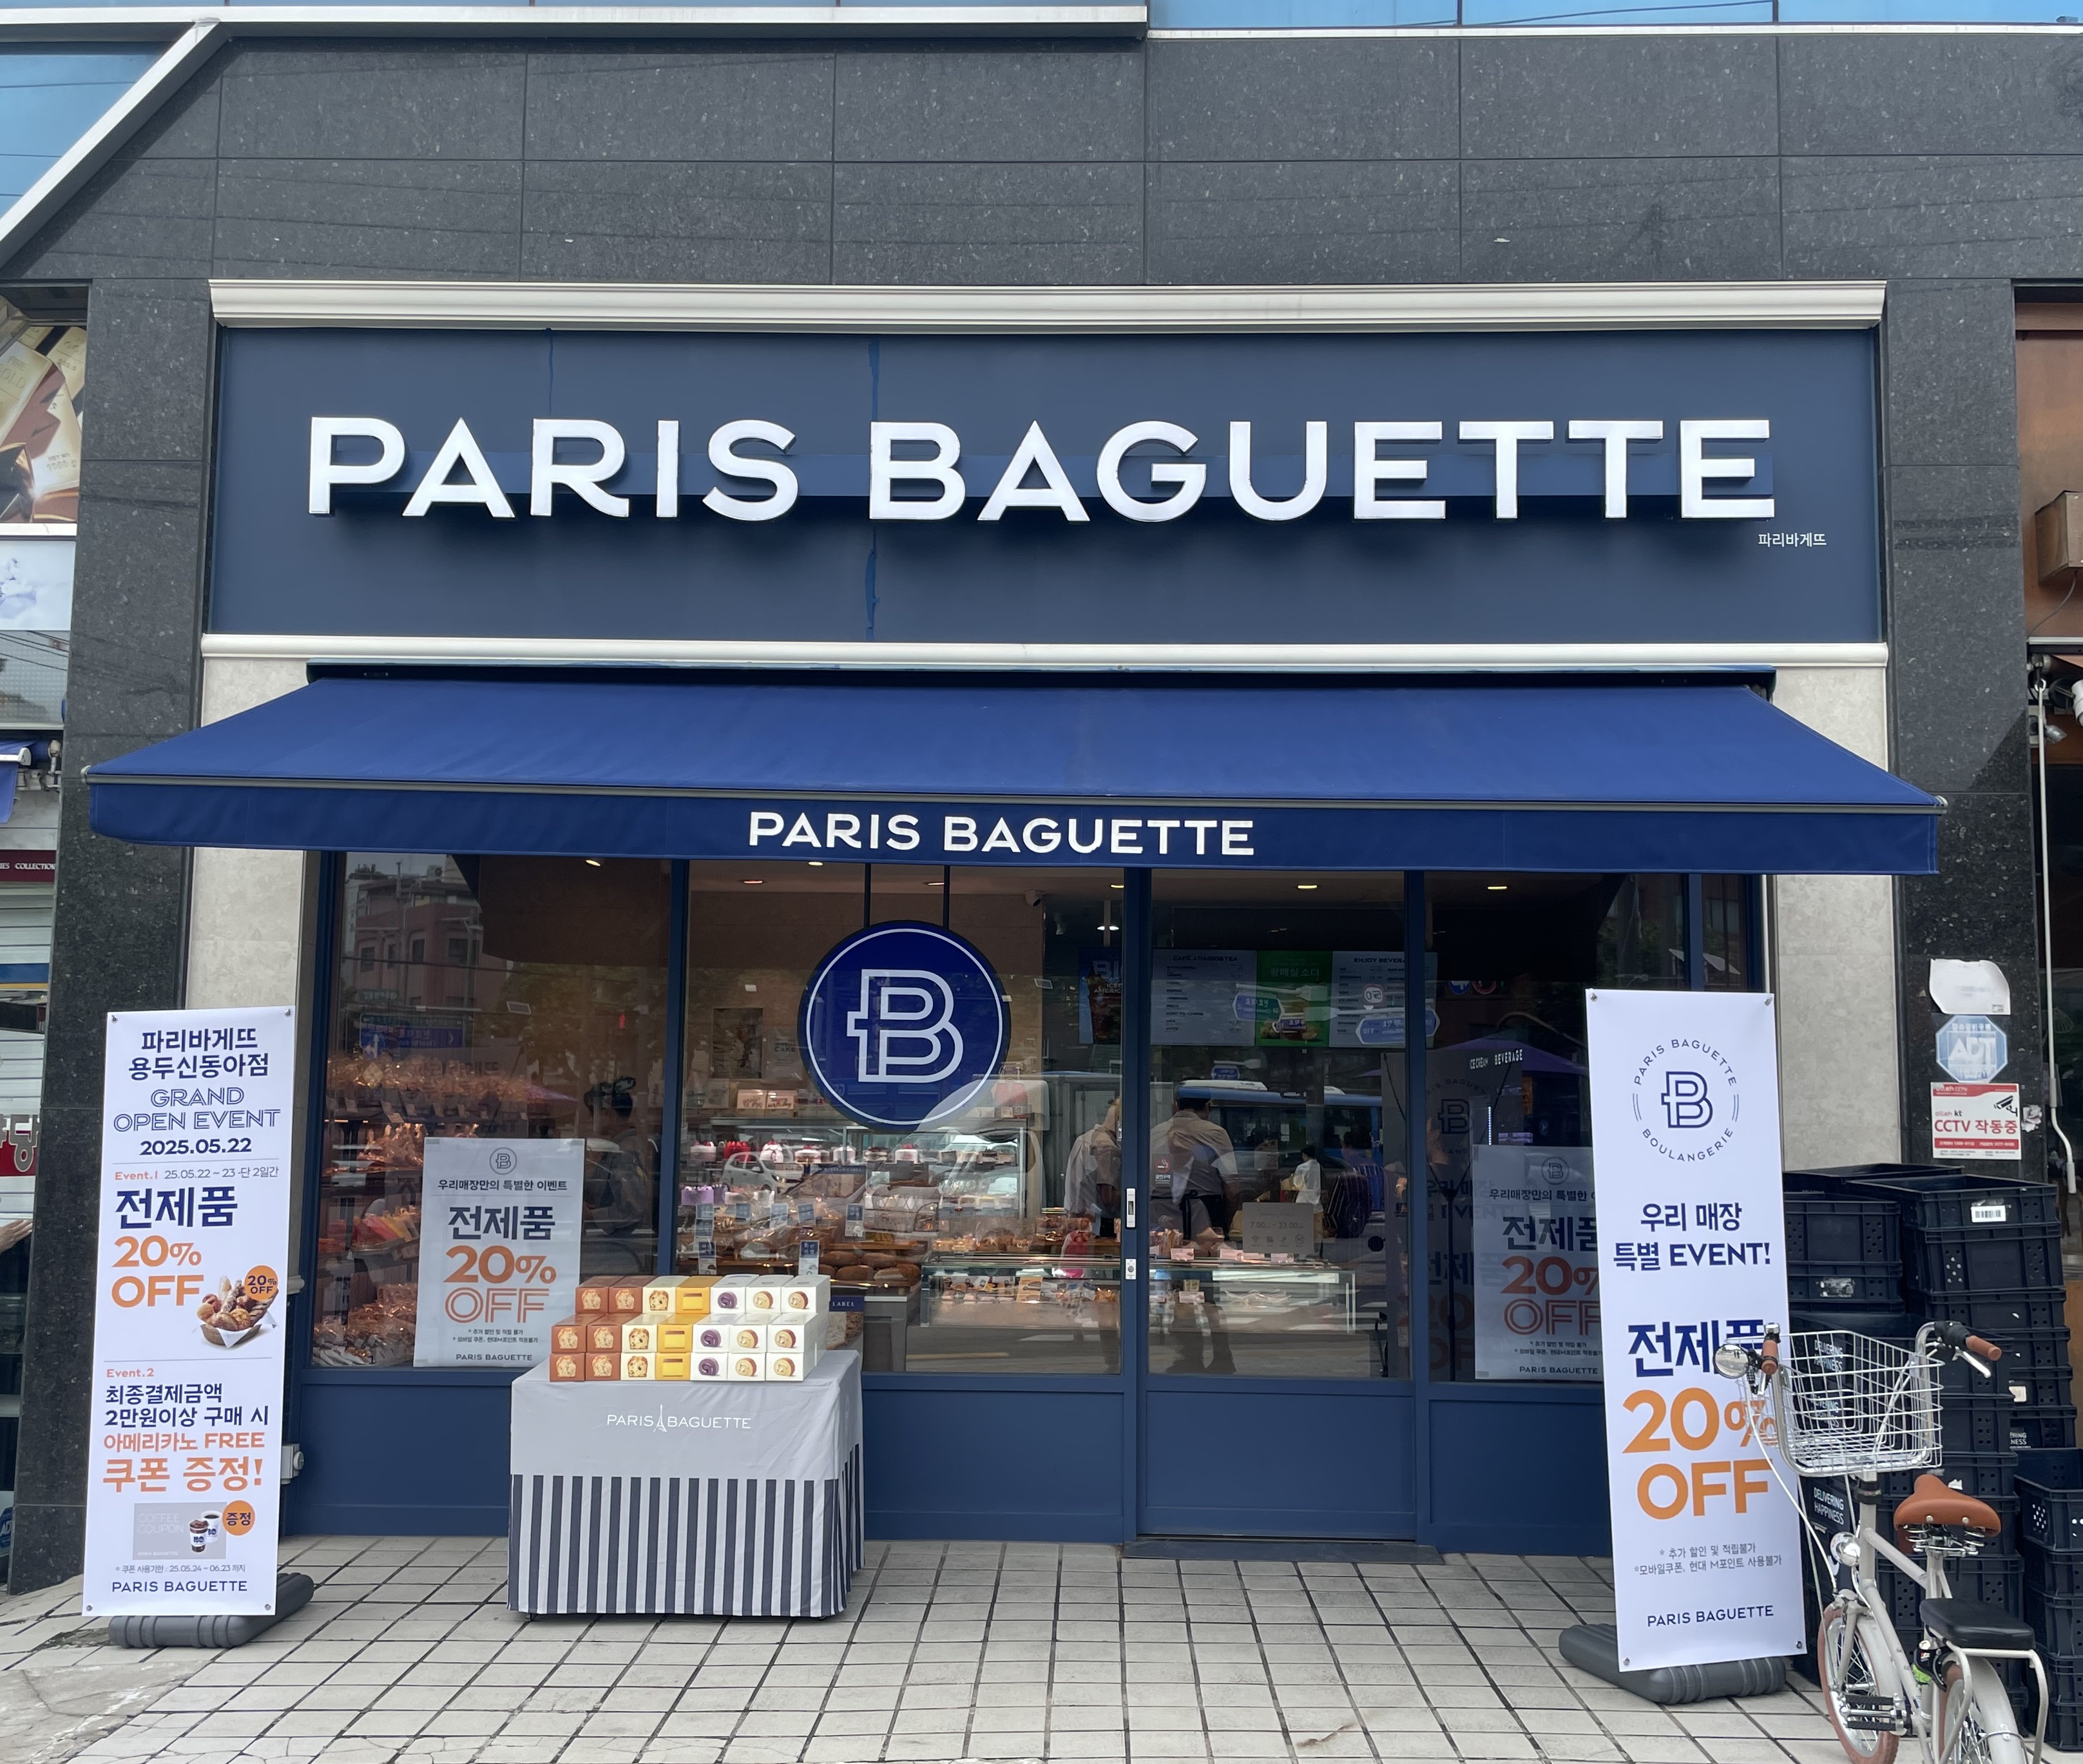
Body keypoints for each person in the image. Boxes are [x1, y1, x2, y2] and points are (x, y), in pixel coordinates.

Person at [1153, 1091, 1237, 1240]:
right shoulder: (1215, 1133)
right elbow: (1233, 1189)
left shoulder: (1154, 1133)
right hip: (1207, 1217)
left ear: (1175, 1106)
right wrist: (1226, 1224)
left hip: (1158, 1217)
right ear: (1207, 1106)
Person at [1062, 1097, 1122, 1234]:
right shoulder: (1106, 1146)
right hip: (1099, 1226)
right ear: (1119, 1122)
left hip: (1077, 1220)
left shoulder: (1083, 1139)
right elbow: (1108, 1198)